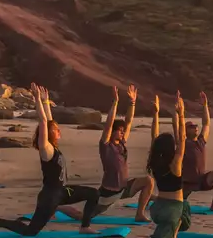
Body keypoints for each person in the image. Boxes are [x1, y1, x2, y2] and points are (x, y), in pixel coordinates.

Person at [0, 83, 101, 236]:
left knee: (93, 194)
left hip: (63, 191)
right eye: (55, 130)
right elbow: (43, 122)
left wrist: (46, 101)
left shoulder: (54, 147)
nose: (59, 130)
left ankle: (84, 227)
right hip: (50, 196)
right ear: (46, 134)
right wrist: (37, 100)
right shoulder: (46, 149)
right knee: (31, 231)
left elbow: (49, 121)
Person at [57, 86, 155, 225]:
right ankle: (57, 206)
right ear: (113, 132)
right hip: (108, 192)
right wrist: (115, 102)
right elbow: (108, 125)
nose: (122, 133)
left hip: (124, 187)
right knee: (82, 216)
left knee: (148, 181)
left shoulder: (121, 144)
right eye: (119, 131)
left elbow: (128, 122)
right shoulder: (106, 146)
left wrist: (132, 102)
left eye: (122, 131)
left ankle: (139, 214)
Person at [117, 93, 191, 238]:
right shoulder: (176, 164)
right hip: (171, 211)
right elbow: (183, 138)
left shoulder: (156, 162)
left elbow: (154, 137)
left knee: (185, 207)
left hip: (157, 209)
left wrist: (156, 113)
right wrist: (181, 115)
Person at [181, 91, 213, 212]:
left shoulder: (201, 141)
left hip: (201, 180)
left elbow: (206, 124)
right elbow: (178, 128)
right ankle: (152, 198)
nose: (195, 127)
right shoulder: (183, 143)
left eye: (195, 126)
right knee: (172, 202)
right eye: (191, 127)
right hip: (186, 183)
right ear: (185, 131)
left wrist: (205, 105)